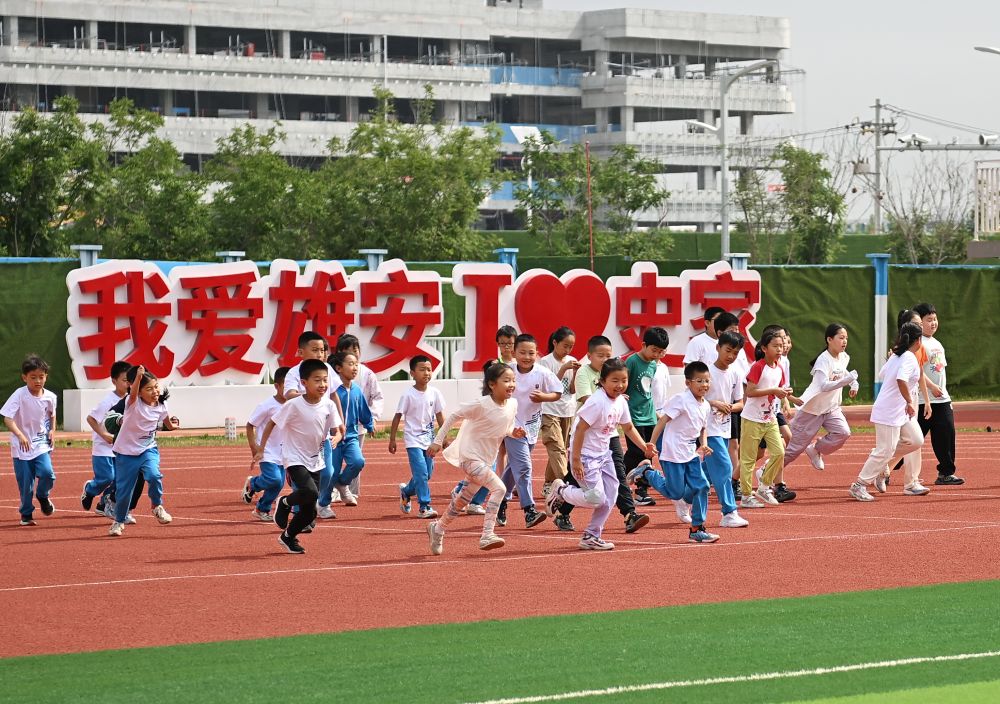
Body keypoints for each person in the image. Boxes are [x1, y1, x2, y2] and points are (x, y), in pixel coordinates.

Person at [545, 358, 657, 550]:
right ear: (602, 381)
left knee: (611, 496)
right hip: (587, 456)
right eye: (614, 380)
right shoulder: (597, 402)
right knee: (596, 497)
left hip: (604, 455)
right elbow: (580, 429)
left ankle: (591, 535)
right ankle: (560, 491)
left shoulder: (620, 401)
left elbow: (628, 427)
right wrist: (576, 460)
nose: (620, 385)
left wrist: (644, 446)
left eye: (624, 380)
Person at [426, 362, 525, 554]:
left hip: (486, 459)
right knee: (500, 488)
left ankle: (437, 528)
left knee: (463, 500)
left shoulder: (513, 404)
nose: (512, 384)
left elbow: (506, 429)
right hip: (470, 457)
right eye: (506, 380)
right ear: (492, 384)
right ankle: (487, 534)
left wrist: (515, 433)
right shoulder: (481, 404)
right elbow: (454, 415)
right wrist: (438, 441)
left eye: (514, 380)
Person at [255, 358, 343, 554]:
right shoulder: (294, 405)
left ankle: (287, 537)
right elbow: (271, 422)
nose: (322, 385)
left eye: (324, 380)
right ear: (303, 383)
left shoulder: (329, 405)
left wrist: (336, 437)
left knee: (309, 512)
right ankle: (284, 502)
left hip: (316, 459)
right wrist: (261, 449)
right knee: (310, 492)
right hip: (294, 458)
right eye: (317, 380)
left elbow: (337, 430)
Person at [627, 361, 720, 543]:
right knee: (675, 493)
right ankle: (647, 472)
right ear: (688, 383)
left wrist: (704, 443)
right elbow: (662, 421)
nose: (704, 385)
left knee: (702, 486)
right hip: (672, 453)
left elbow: (702, 428)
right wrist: (651, 444)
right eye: (699, 381)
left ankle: (697, 529)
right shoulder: (681, 400)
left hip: (690, 454)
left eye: (707, 381)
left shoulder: (706, 405)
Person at [850, 322, 930, 501]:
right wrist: (909, 401)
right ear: (918, 340)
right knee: (885, 450)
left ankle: (880, 464)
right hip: (889, 410)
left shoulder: (897, 356)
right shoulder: (907, 357)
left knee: (916, 440)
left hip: (899, 411)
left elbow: (882, 375)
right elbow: (901, 380)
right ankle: (859, 485)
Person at [450, 324, 520, 511]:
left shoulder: (520, 363)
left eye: (510, 343)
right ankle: (475, 498)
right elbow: (487, 392)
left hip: (510, 415)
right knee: (492, 459)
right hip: (492, 418)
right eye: (503, 343)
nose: (506, 347)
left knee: (497, 458)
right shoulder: (493, 365)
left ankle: (470, 494)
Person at [498, 333, 562, 528]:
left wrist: (544, 396)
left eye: (531, 353)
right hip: (511, 425)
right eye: (522, 352)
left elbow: (557, 392)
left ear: (537, 354)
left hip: (532, 426)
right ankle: (529, 510)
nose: (527, 356)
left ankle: (499, 501)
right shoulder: (506, 371)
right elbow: (492, 391)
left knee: (514, 467)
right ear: (514, 352)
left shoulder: (542, 373)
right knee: (524, 467)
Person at [109, 365, 180, 536]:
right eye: (149, 389)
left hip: (148, 450)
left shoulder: (161, 404)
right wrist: (138, 377)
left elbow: (167, 422)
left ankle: (157, 506)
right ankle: (118, 521)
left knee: (154, 475)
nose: (155, 391)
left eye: (156, 386)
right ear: (139, 392)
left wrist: (173, 426)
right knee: (124, 492)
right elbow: (132, 393)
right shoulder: (132, 403)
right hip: (126, 453)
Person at [283, 331, 345, 518]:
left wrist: (340, 422)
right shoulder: (294, 373)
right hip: (300, 433)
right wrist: (308, 397)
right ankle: (298, 509)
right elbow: (289, 394)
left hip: (321, 432)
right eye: (315, 350)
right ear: (301, 352)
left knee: (328, 472)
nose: (320, 354)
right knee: (302, 474)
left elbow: (334, 395)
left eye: (322, 350)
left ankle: (320, 503)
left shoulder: (327, 369)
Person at [784, 324, 859, 473]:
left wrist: (853, 383)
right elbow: (823, 386)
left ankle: (815, 449)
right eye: (841, 338)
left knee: (843, 432)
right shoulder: (823, 360)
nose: (844, 341)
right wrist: (846, 380)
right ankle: (766, 473)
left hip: (831, 408)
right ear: (829, 339)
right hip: (812, 409)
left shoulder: (844, 356)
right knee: (793, 449)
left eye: (846, 338)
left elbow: (843, 372)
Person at [2, 354, 58, 526]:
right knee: (26, 485)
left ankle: (42, 495)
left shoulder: (50, 397)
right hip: (21, 446)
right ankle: (26, 514)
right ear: (24, 377)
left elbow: (52, 415)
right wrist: (20, 435)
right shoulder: (19, 394)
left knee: (48, 474)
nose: (37, 381)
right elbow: (7, 418)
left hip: (41, 443)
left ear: (46, 377)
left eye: (41, 377)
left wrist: (53, 431)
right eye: (33, 377)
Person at [912, 302, 964, 486]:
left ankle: (946, 473)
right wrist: (932, 386)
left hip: (942, 400)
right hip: (921, 400)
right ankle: (885, 468)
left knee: (946, 435)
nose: (933, 323)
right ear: (919, 322)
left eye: (935, 319)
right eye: (929, 320)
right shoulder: (917, 343)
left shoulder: (937, 343)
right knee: (909, 440)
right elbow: (916, 369)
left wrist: (940, 391)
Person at [739, 329, 789, 508]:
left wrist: (790, 397)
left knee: (780, 452)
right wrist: (773, 391)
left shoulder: (780, 368)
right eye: (775, 346)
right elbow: (750, 392)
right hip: (752, 419)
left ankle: (764, 486)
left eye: (781, 346)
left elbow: (780, 390)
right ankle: (746, 496)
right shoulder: (758, 366)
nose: (779, 349)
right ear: (764, 348)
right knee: (748, 459)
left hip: (770, 419)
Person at [391, 355, 446, 519]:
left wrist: (443, 437)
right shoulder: (408, 395)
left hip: (429, 440)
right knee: (421, 473)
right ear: (412, 373)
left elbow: (440, 416)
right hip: (413, 441)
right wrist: (392, 439)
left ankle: (406, 492)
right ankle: (424, 506)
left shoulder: (435, 393)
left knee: (426, 474)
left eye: (429, 369)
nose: (426, 373)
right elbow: (397, 416)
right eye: (422, 369)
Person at [704, 332, 749, 528]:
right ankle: (729, 512)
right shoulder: (705, 373)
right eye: (727, 350)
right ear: (718, 348)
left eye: (735, 353)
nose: (730, 356)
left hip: (724, 427)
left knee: (703, 473)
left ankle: (683, 497)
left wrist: (729, 407)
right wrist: (714, 403)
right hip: (706, 428)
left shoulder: (736, 374)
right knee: (725, 468)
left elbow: (740, 402)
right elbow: (693, 399)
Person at [624, 326, 670, 507]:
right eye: (654, 350)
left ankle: (641, 491)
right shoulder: (632, 361)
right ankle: (615, 478)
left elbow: (647, 391)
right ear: (643, 345)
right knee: (636, 452)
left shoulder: (653, 364)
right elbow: (622, 384)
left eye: (661, 352)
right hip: (633, 416)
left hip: (650, 416)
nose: (657, 355)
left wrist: (657, 414)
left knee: (649, 453)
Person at [335, 334, 384, 499]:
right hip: (334, 428)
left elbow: (376, 397)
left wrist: (372, 419)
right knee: (332, 462)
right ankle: (330, 493)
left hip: (357, 427)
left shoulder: (367, 374)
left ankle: (351, 492)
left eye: (356, 351)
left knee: (356, 460)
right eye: (349, 352)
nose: (354, 355)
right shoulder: (333, 373)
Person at [80, 360, 130, 516]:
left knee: (119, 480)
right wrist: (105, 435)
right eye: (124, 380)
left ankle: (103, 505)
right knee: (107, 477)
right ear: (114, 381)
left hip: (120, 447)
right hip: (103, 447)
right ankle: (90, 489)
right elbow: (91, 419)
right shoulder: (109, 401)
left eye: (130, 380)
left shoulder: (132, 400)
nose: (128, 384)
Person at [242, 366, 290, 522]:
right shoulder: (267, 405)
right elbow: (250, 425)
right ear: (277, 386)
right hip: (267, 450)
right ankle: (253, 483)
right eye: (286, 386)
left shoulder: (294, 405)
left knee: (278, 484)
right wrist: (254, 448)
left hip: (284, 452)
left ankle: (261, 509)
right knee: (274, 479)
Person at [328, 351, 375, 509]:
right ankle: (324, 502)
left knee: (357, 462)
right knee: (331, 471)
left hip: (351, 436)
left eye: (356, 364)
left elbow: (363, 411)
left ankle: (342, 484)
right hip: (333, 437)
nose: (355, 368)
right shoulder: (332, 392)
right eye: (350, 364)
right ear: (339, 368)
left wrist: (369, 424)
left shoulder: (357, 390)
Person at [537, 326, 580, 497]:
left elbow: (572, 389)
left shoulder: (572, 360)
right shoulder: (545, 362)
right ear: (555, 343)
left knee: (561, 448)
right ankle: (567, 484)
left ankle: (549, 483)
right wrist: (563, 369)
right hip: (550, 409)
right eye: (565, 345)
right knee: (557, 448)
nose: (568, 350)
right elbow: (550, 387)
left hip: (567, 410)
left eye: (571, 346)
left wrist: (576, 372)